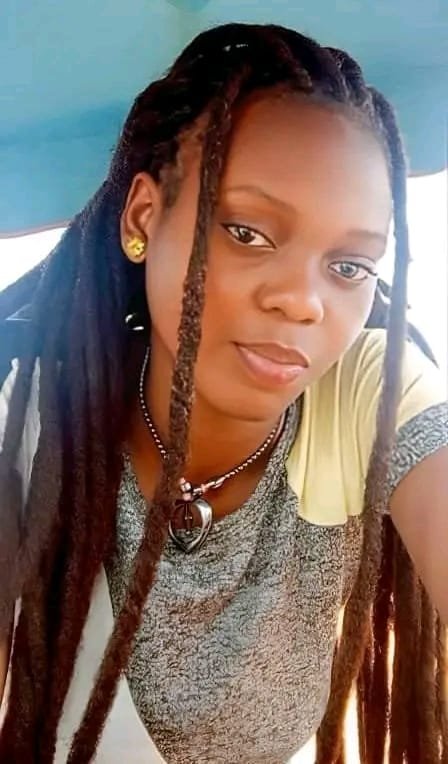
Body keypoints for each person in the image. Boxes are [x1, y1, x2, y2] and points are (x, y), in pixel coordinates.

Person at [0, 21, 447, 764]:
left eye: (349, 266)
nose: (302, 301)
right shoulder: (31, 412)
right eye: (247, 232)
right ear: (144, 218)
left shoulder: (368, 394)